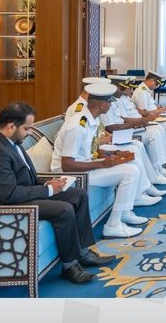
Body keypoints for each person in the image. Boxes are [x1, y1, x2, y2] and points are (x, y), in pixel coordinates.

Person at [0, 102, 115, 284]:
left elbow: (24, 177)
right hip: (1, 205)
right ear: (10, 127)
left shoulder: (11, 141)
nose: (30, 132)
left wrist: (48, 183)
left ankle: (83, 252)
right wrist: (48, 189)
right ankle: (70, 266)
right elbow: (8, 194)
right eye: (27, 128)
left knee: (78, 195)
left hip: (18, 193)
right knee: (63, 209)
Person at [51, 83, 159, 239]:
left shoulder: (90, 119)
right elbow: (67, 165)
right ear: (102, 105)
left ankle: (124, 212)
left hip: (85, 166)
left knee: (132, 162)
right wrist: (102, 163)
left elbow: (90, 149)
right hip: (72, 176)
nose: (111, 105)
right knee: (131, 171)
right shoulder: (77, 126)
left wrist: (114, 153)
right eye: (109, 102)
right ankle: (113, 226)